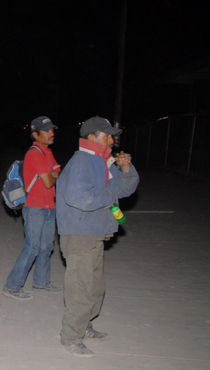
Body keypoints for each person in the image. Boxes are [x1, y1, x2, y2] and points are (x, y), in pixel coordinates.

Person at [56, 116, 139, 357]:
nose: (112, 140)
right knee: (80, 288)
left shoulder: (103, 162)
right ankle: (71, 337)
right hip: (79, 234)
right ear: (92, 136)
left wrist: (126, 169)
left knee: (94, 287)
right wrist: (109, 197)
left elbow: (124, 189)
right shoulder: (82, 161)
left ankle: (85, 326)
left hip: (94, 233)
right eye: (107, 135)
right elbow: (79, 198)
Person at [2, 115, 62, 301]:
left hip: (50, 206)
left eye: (52, 130)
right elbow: (48, 181)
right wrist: (52, 174)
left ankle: (41, 282)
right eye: (47, 130)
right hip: (35, 208)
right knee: (32, 247)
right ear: (35, 134)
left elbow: (57, 172)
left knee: (47, 246)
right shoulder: (34, 154)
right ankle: (12, 286)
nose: (51, 133)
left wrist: (52, 174)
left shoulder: (48, 152)